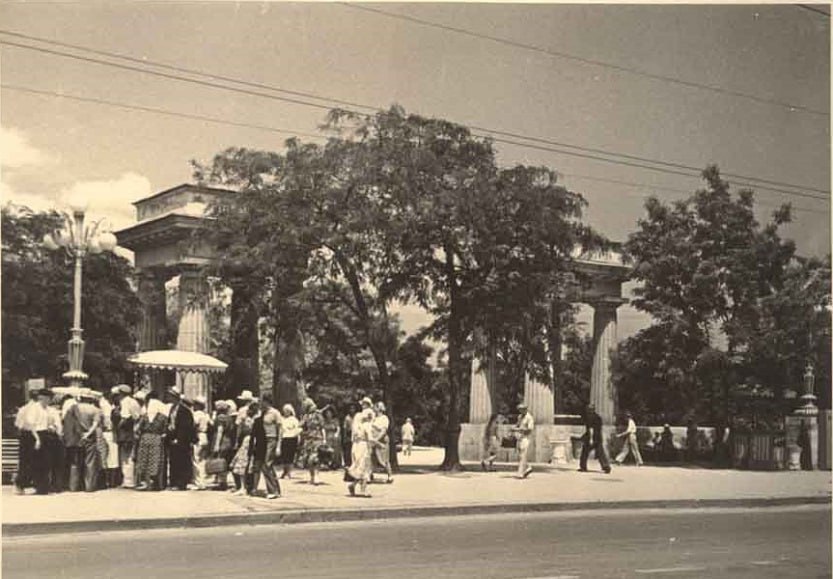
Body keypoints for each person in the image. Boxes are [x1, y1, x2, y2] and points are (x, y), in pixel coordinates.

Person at [135, 391, 169, 491]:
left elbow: (137, 429)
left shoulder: (145, 417)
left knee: (144, 459)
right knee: (155, 460)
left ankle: (144, 481)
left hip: (145, 438)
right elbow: (166, 429)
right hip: (157, 439)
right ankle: (155, 482)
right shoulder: (162, 417)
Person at [249, 399, 281, 499]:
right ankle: (274, 489)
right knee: (264, 465)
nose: (261, 404)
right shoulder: (262, 413)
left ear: (268, 402)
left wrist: (278, 445)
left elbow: (280, 429)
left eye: (263, 402)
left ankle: (273, 490)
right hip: (262, 440)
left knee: (267, 464)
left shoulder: (275, 413)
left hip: (271, 439)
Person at [73, 390, 104, 492]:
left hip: (76, 437)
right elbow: (95, 425)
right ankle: (89, 486)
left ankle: (74, 486)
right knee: (90, 461)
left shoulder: (74, 409)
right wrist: (88, 433)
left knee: (76, 462)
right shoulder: (95, 410)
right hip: (89, 437)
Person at [166, 387, 196, 491]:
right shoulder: (172, 408)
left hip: (181, 440)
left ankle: (181, 483)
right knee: (174, 461)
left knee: (182, 461)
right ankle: (174, 481)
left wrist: (179, 438)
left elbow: (186, 427)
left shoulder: (184, 410)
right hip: (172, 438)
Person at [115, 384, 141, 488]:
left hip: (126, 432)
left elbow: (125, 417)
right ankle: (130, 479)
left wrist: (118, 427)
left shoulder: (125, 402)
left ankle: (128, 481)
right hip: (133, 431)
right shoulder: (134, 401)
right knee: (131, 456)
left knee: (125, 457)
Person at [346, 407, 376, 497]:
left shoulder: (356, 426)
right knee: (364, 467)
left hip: (356, 447)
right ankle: (363, 490)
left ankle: (353, 485)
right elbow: (370, 438)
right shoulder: (367, 425)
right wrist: (378, 444)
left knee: (359, 467)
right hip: (363, 446)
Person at [14, 391, 39, 494]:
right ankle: (30, 484)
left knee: (24, 461)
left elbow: (17, 425)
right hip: (33, 435)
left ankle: (20, 485)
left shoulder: (23, 409)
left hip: (23, 435)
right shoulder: (36, 409)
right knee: (33, 461)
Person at [230, 403, 257, 495]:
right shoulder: (256, 419)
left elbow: (240, 430)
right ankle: (248, 487)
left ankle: (245, 487)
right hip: (252, 441)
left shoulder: (248, 419)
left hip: (249, 441)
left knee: (243, 463)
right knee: (246, 464)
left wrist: (237, 441)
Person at [298, 398, 326, 485]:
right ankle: (312, 476)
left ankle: (317, 475)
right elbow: (300, 425)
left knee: (315, 458)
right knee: (309, 459)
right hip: (308, 439)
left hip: (317, 438)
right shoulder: (305, 416)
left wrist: (324, 439)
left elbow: (322, 427)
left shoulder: (318, 415)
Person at [211, 400, 237, 490]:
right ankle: (223, 481)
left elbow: (220, 431)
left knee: (220, 460)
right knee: (225, 461)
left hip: (222, 441)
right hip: (228, 441)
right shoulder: (229, 418)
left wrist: (217, 444)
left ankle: (222, 482)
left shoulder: (220, 418)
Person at [579, 403, 611, 474]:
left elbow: (591, 429)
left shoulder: (589, 417)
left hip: (591, 437)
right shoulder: (598, 417)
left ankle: (583, 467)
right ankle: (606, 466)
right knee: (600, 453)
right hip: (598, 437)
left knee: (584, 452)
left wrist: (590, 439)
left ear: (589, 410)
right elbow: (599, 429)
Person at [191, 396, 212, 490]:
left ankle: (198, 482)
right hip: (205, 436)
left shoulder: (197, 414)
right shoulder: (206, 415)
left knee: (196, 460)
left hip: (198, 436)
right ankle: (203, 481)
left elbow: (194, 424)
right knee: (202, 461)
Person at [370, 401, 393, 484]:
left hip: (382, 440)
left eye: (375, 407)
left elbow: (383, 431)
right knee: (371, 458)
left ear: (379, 408)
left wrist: (376, 439)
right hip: (373, 440)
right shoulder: (373, 418)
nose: (373, 409)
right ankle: (370, 474)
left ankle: (390, 476)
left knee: (384, 459)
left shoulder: (384, 418)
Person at [513, 402, 535, 479]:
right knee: (520, 455)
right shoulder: (520, 417)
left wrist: (519, 429)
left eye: (522, 409)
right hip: (519, 437)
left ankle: (520, 473)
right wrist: (514, 429)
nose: (520, 411)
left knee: (523, 455)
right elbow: (517, 424)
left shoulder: (529, 418)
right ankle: (528, 467)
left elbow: (529, 429)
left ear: (525, 409)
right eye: (519, 409)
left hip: (525, 438)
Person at [279, 403, 301, 480]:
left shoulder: (294, 420)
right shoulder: (281, 419)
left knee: (290, 456)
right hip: (284, 438)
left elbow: (298, 430)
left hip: (292, 438)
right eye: (285, 410)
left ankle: (289, 472)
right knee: (284, 455)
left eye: (287, 410)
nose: (286, 412)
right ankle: (284, 471)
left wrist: (298, 439)